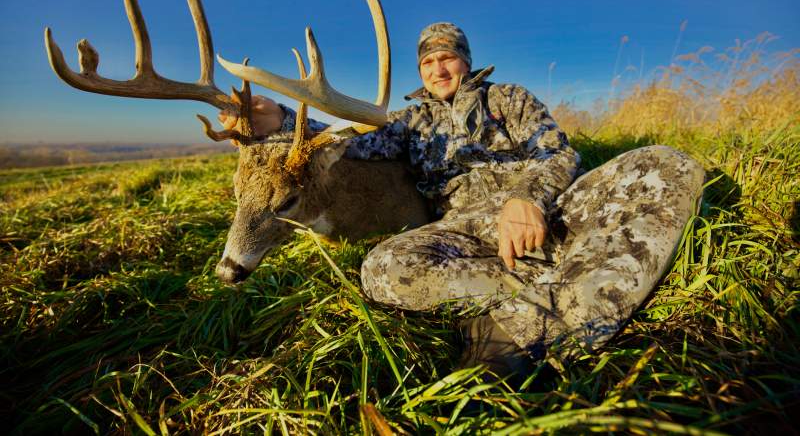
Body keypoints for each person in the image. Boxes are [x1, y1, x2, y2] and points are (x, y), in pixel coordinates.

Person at [220, 22, 705, 377]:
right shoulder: (410, 123)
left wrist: (526, 198)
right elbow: (343, 142)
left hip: (552, 208)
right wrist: (281, 117)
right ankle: (568, 302)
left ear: (465, 60)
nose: (437, 68)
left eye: (446, 57)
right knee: (382, 268)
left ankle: (515, 318)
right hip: (465, 232)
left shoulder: (509, 99)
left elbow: (557, 154)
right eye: (427, 62)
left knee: (667, 163)